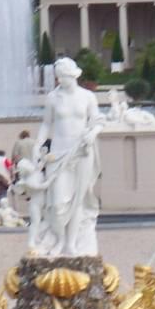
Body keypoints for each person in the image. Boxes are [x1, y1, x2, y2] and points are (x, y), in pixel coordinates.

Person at [33, 56, 106, 256]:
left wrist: (92, 133)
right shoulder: (53, 98)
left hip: (82, 153)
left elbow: (98, 121)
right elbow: (46, 125)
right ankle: (59, 239)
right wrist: (37, 147)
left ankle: (70, 245)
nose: (59, 80)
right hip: (58, 154)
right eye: (57, 77)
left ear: (72, 75)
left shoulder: (87, 97)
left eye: (62, 76)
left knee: (77, 202)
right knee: (57, 204)